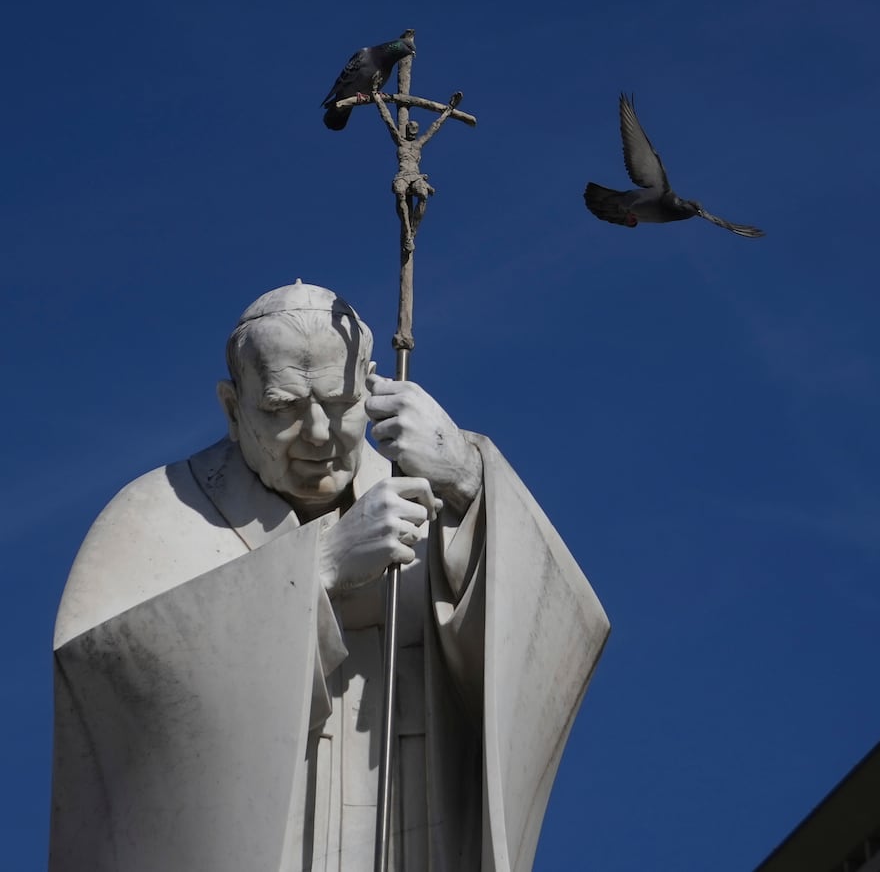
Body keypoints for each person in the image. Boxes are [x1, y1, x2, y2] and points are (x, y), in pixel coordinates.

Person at [50, 281, 609, 871]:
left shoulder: (432, 490)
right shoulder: (157, 515)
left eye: (340, 403)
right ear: (233, 407)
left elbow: (554, 646)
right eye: (281, 408)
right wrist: (316, 572)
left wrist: (471, 484)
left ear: (371, 386)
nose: (318, 433)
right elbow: (110, 699)